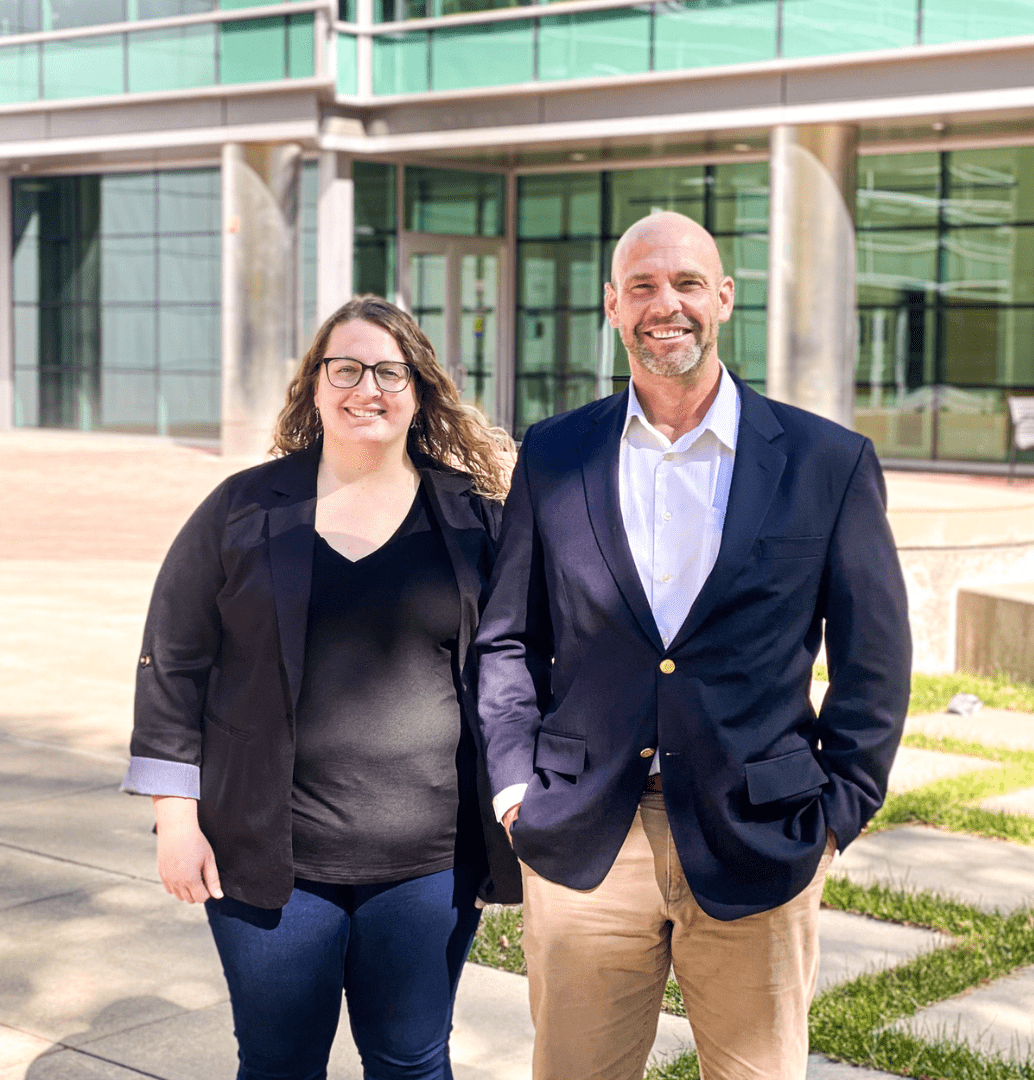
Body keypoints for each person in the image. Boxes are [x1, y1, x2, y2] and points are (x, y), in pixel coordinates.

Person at [475, 211, 911, 1080]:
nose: (663, 305)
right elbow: (507, 638)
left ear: (724, 298)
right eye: (641, 286)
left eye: (684, 284)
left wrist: (835, 816)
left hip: (761, 836)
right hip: (586, 835)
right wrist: (518, 789)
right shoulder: (556, 453)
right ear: (611, 305)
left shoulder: (827, 462)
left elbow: (875, 661)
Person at [121, 294, 520, 1080]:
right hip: (268, 854)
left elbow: (518, 662)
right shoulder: (243, 508)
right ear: (314, 384)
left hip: (428, 865)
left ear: (419, 391)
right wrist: (176, 818)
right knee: (278, 1064)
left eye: (387, 371)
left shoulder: (472, 520)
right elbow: (173, 656)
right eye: (344, 367)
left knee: (411, 1059)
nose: (364, 387)